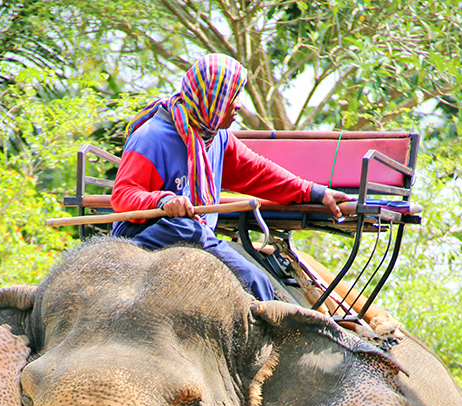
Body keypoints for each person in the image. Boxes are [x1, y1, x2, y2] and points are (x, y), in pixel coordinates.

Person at [111, 53, 351, 301]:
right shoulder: (152, 137)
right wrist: (162, 201)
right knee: (249, 278)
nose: (237, 105)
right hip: (152, 234)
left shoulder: (217, 138)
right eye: (231, 97)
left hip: (196, 234)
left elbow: (259, 172)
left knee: (250, 273)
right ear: (210, 99)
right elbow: (122, 195)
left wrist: (314, 192)